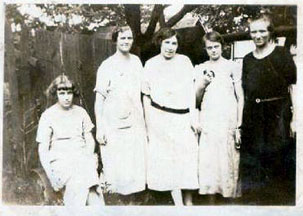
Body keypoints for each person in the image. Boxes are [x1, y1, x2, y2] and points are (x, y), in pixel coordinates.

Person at [240, 14, 296, 204]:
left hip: (277, 114)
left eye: (262, 30)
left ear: (270, 31)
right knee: (254, 163)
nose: (258, 35)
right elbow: (245, 92)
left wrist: (295, 118)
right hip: (252, 116)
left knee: (277, 161)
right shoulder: (247, 60)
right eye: (254, 31)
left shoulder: (281, 54)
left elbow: (293, 87)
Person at [142, 28, 199, 206]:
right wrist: (150, 123)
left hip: (183, 118)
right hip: (161, 116)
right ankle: (179, 204)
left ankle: (189, 201)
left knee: (188, 159)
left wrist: (192, 117)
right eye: (167, 42)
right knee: (169, 161)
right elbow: (146, 96)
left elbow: (191, 92)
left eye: (174, 43)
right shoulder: (150, 64)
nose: (170, 47)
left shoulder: (185, 61)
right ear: (160, 42)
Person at [94, 26, 147, 197]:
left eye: (129, 38)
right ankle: (117, 200)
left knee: (134, 160)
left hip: (135, 119)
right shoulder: (107, 65)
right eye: (122, 38)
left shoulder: (137, 62)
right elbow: (99, 100)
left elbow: (143, 92)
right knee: (117, 160)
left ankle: (134, 199)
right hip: (114, 121)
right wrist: (100, 127)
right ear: (115, 40)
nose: (126, 42)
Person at [36, 75, 104, 206]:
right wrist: (51, 176)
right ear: (55, 94)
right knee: (81, 182)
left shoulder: (81, 112)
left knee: (93, 189)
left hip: (82, 157)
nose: (66, 97)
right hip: (61, 161)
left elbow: (89, 139)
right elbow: (43, 149)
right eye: (62, 93)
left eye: (69, 93)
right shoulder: (48, 116)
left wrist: (89, 156)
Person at [194, 31, 243, 202]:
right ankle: (211, 202)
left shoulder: (232, 67)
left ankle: (229, 200)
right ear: (205, 49)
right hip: (209, 118)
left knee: (228, 158)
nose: (213, 50)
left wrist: (239, 124)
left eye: (216, 47)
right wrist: (203, 83)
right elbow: (196, 99)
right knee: (210, 160)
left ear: (222, 46)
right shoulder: (200, 68)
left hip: (228, 119)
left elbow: (240, 96)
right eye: (209, 48)